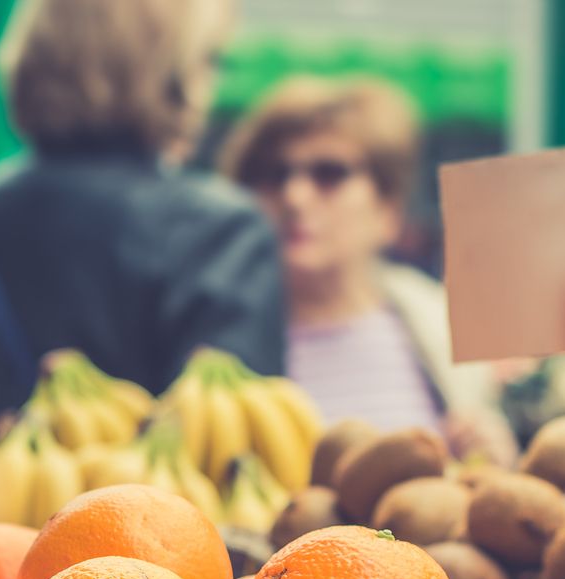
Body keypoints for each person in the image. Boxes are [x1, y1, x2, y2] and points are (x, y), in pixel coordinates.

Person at [0, 0, 286, 424]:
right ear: (169, 73)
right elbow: (237, 442)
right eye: (210, 60)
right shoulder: (221, 233)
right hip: (136, 494)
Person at [220, 76, 516, 462]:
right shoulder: (215, 334)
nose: (295, 197)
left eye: (329, 173)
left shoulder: (441, 322)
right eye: (275, 175)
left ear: (387, 208)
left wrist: (498, 458)